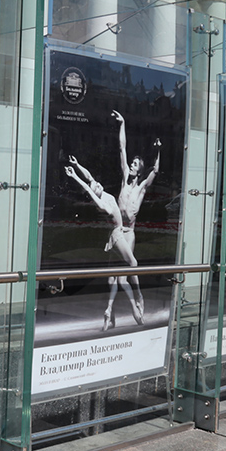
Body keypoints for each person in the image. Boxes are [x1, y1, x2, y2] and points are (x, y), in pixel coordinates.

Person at [64, 155, 143, 330]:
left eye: (98, 184)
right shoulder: (103, 204)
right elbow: (87, 186)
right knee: (133, 263)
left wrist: (77, 165)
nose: (97, 184)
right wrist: (74, 177)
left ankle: (109, 313)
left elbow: (89, 178)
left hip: (113, 237)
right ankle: (138, 298)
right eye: (96, 187)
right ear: (94, 193)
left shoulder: (103, 193)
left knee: (112, 280)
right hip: (117, 237)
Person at [111, 110, 159, 324]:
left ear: (140, 171)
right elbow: (122, 148)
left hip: (129, 232)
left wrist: (158, 152)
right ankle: (128, 305)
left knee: (127, 270)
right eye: (131, 163)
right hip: (116, 231)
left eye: (136, 164)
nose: (131, 165)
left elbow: (155, 171)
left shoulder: (140, 188)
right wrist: (123, 123)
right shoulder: (123, 180)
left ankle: (137, 297)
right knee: (117, 276)